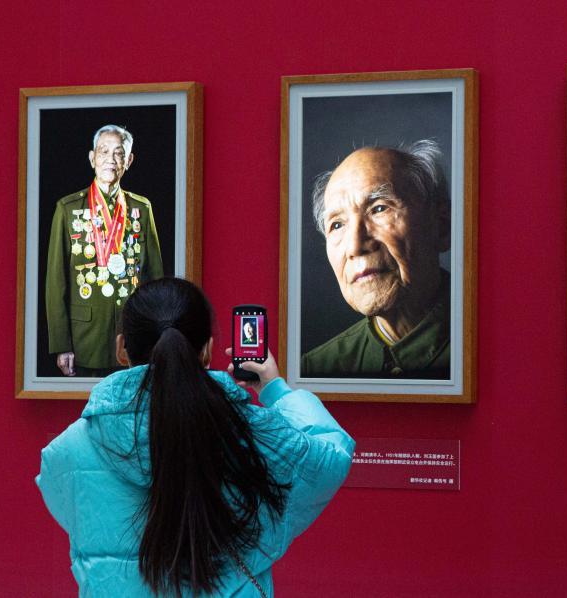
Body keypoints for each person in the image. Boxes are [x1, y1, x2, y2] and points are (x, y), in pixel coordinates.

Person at [37, 278, 354, 596]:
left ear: (121, 349)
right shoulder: (251, 433)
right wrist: (275, 388)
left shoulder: (66, 452)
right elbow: (329, 457)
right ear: (207, 350)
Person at [301, 140, 451, 379]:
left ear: (441, 226)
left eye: (379, 208)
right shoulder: (314, 368)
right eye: (337, 225)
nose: (355, 246)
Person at [46, 124, 164, 377]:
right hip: (85, 339)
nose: (110, 160)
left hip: (134, 338)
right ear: (92, 158)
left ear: (129, 160)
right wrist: (61, 344)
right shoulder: (68, 209)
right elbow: (56, 283)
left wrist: (156, 339)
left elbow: (156, 280)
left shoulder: (141, 209)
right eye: (103, 152)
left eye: (119, 153)